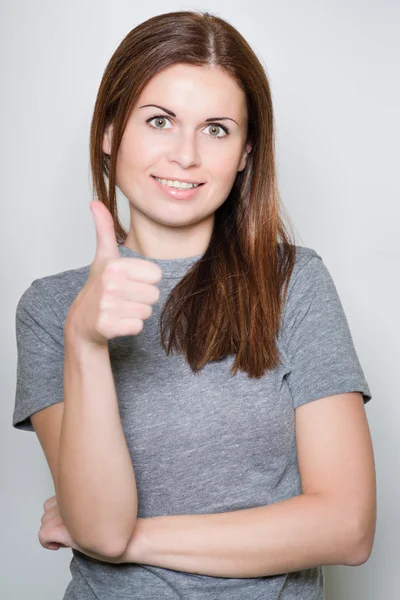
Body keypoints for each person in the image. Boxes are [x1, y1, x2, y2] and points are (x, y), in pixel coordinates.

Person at [12, 9, 376, 600]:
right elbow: (100, 523)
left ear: (244, 153)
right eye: (159, 121)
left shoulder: (294, 283)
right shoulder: (52, 309)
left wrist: (131, 540)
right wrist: (85, 342)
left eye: (216, 129)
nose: (186, 155)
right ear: (109, 131)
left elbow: (348, 528)